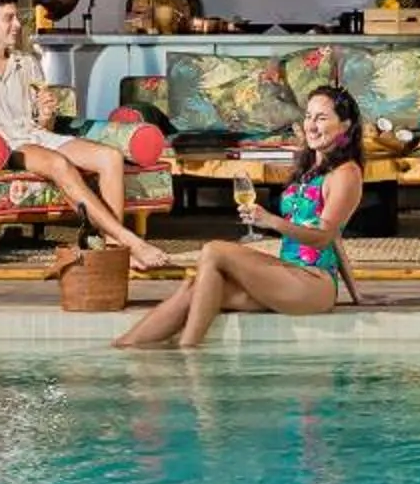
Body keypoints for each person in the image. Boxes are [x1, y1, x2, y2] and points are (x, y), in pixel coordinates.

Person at [0, 0, 169, 273]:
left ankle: (112, 248)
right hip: (2, 143)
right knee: (57, 163)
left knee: (110, 157)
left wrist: (47, 114)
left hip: (36, 136)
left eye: (17, 18)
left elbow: (42, 128)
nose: (17, 25)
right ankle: (130, 243)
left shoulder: (26, 63)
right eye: (9, 18)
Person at [115, 84, 364, 351]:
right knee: (195, 287)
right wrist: (357, 294)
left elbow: (324, 236)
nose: (311, 126)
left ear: (345, 126)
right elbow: (336, 236)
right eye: (308, 116)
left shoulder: (346, 174)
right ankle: (122, 349)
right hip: (288, 275)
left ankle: (189, 354)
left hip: (313, 285)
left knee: (214, 250)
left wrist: (270, 221)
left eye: (322, 118)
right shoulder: (310, 167)